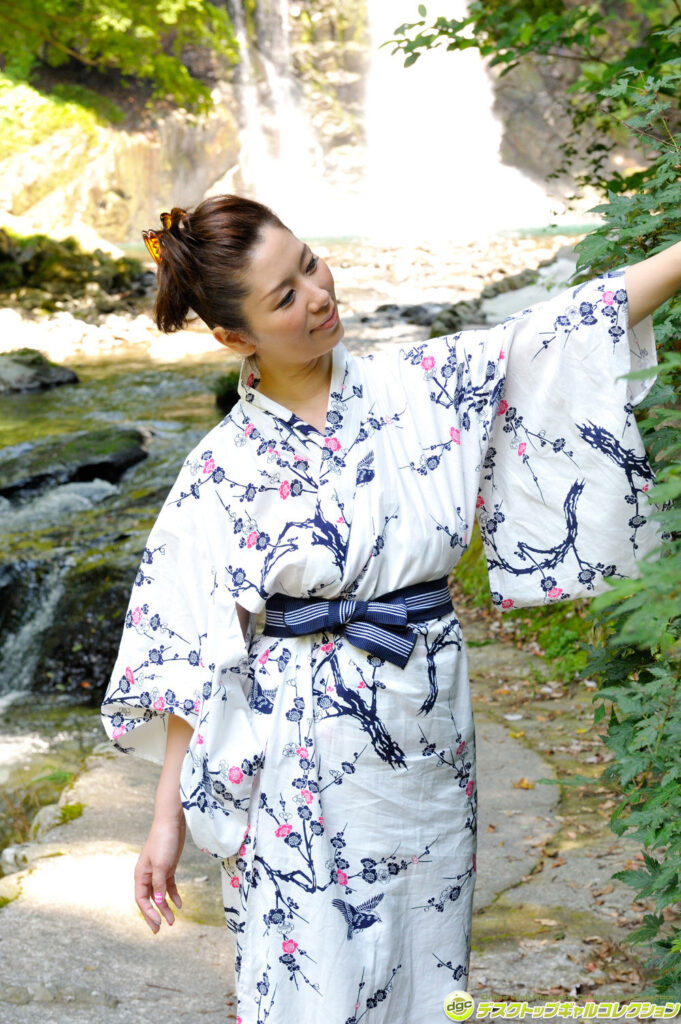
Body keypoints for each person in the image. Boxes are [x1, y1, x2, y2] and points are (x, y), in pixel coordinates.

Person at [101, 194, 673, 1023]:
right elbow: (188, 649)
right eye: (285, 297)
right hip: (295, 750)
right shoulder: (220, 468)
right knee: (313, 980)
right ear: (234, 337)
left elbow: (558, 331)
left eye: (310, 264)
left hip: (426, 725)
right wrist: (167, 824)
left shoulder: (420, 385)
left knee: (424, 961)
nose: (318, 295)